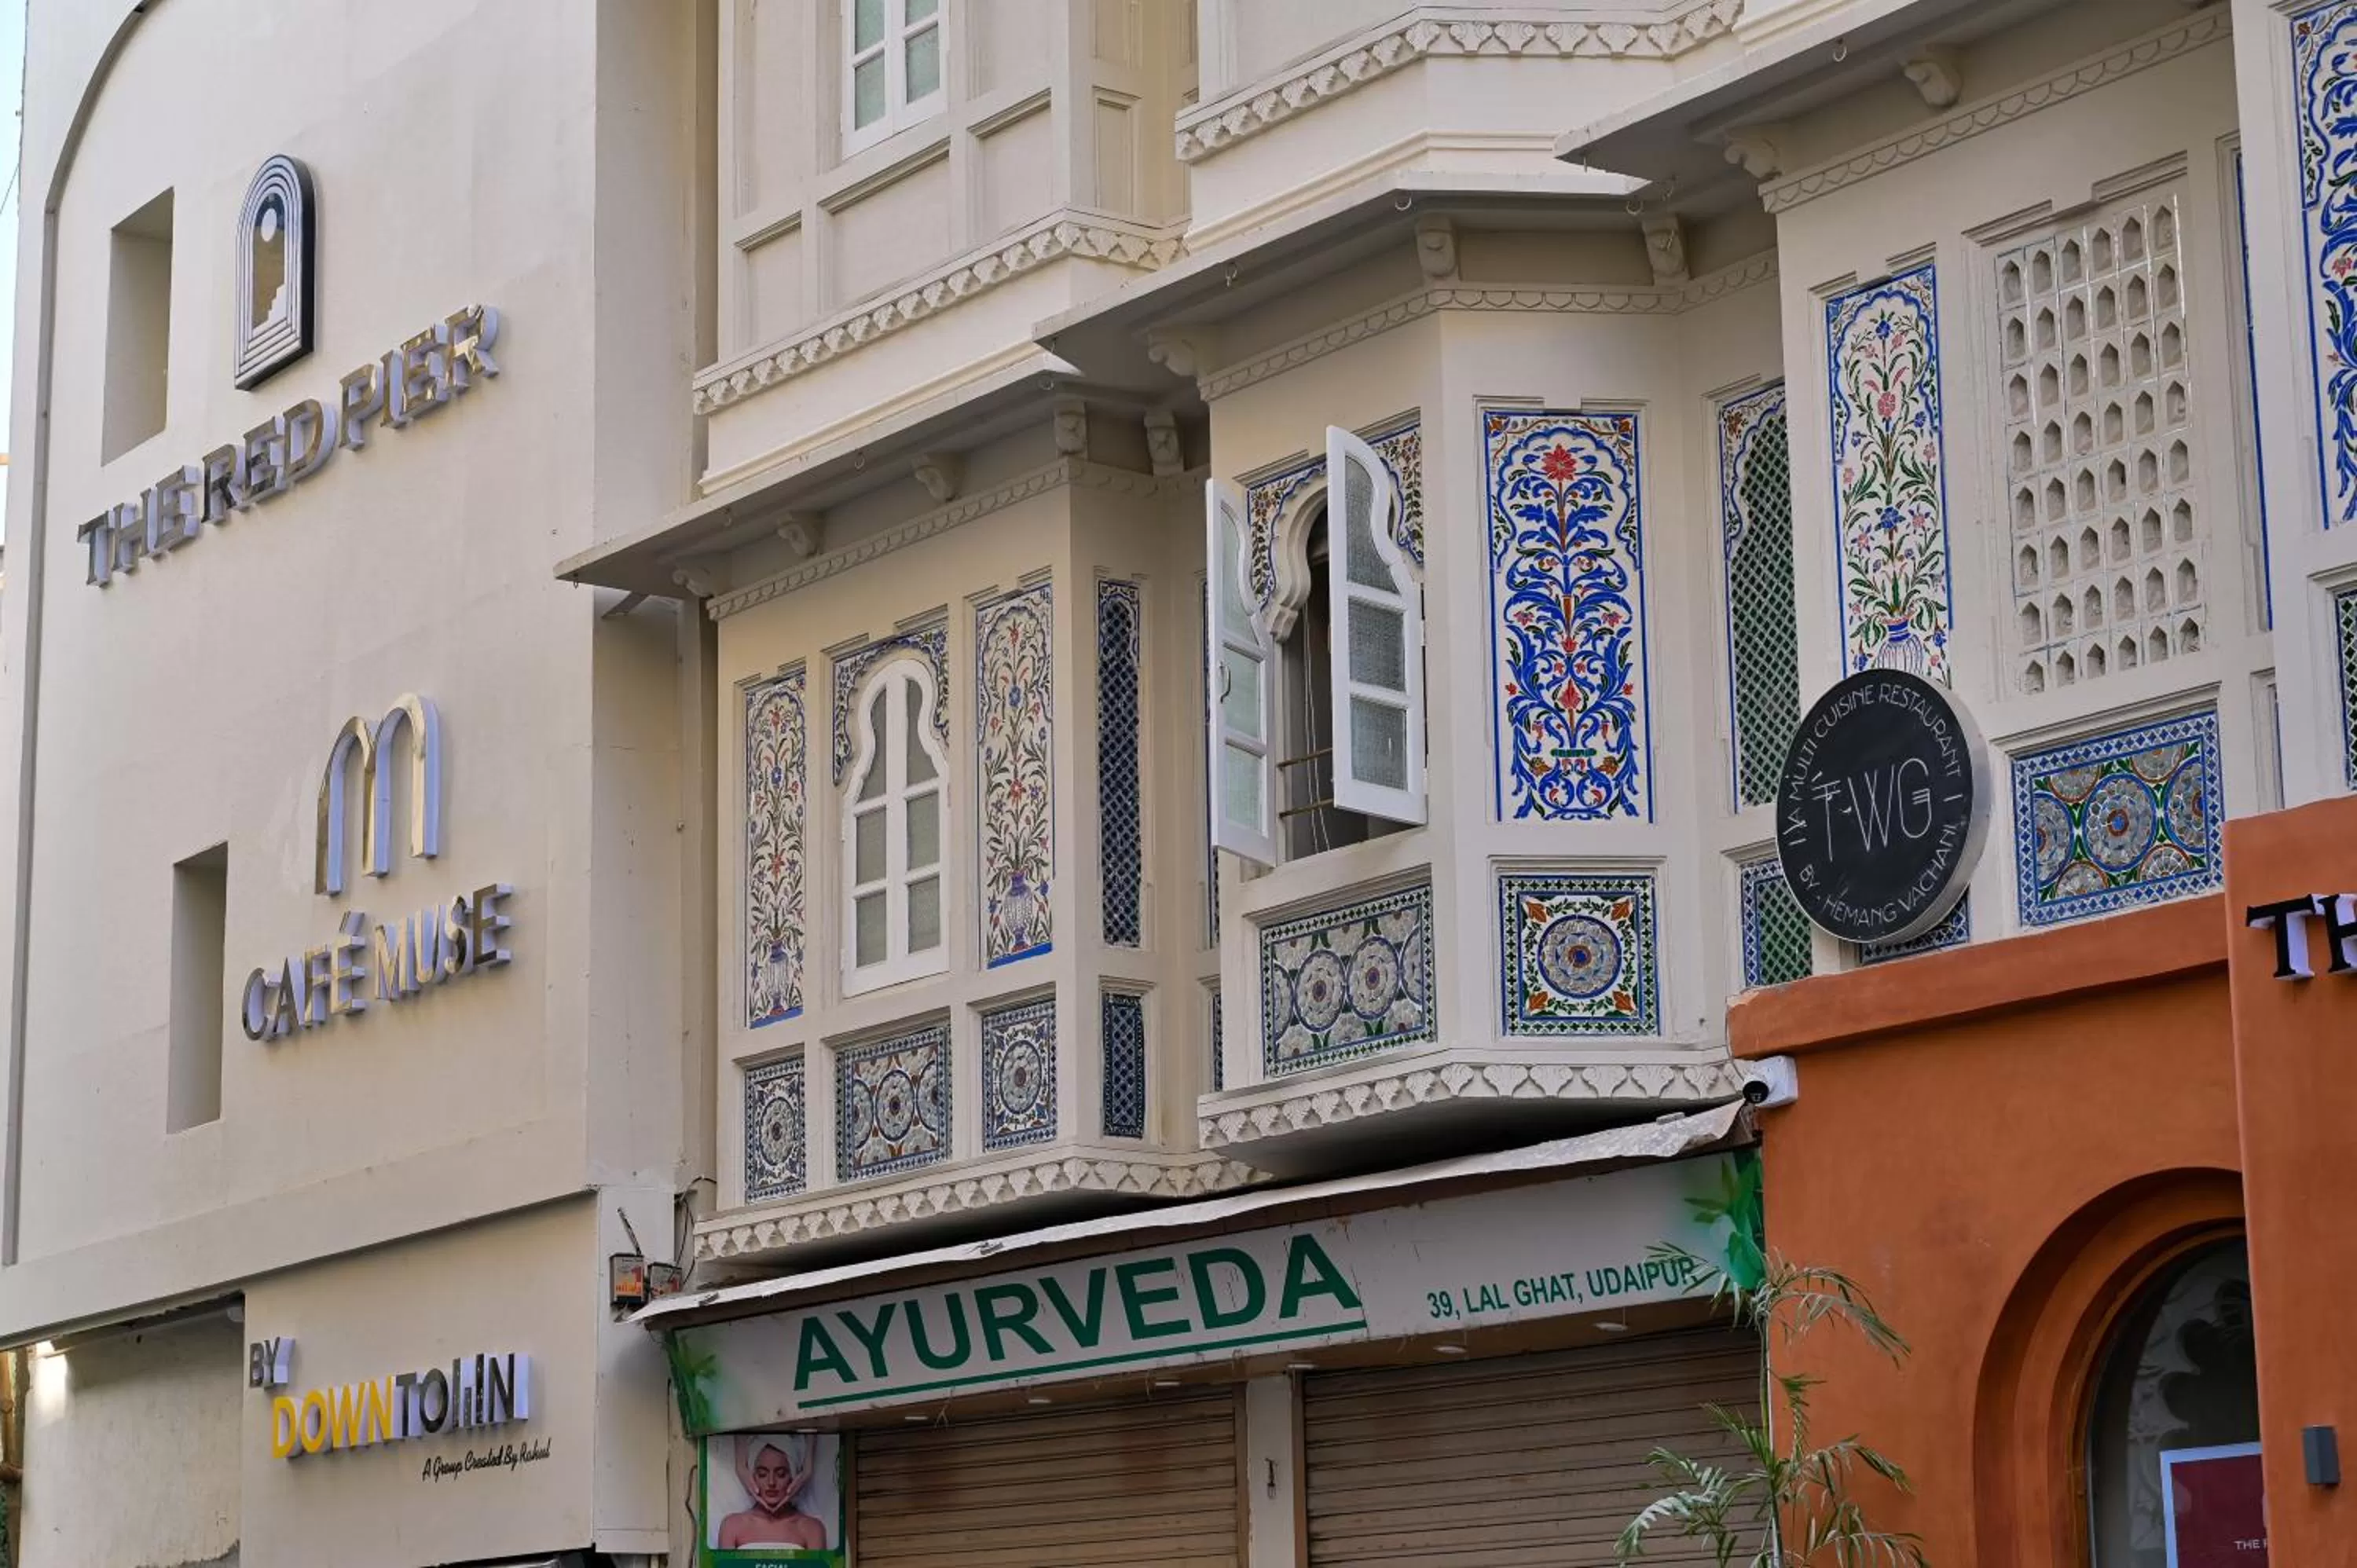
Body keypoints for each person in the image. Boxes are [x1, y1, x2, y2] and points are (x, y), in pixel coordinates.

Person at [717, 1434, 830, 1552]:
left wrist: (807, 1468)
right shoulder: (732, 1526)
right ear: (752, 1478)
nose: (771, 1482)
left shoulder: (811, 1528)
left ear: (793, 1478)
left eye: (781, 1474)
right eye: (762, 1474)